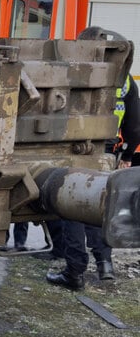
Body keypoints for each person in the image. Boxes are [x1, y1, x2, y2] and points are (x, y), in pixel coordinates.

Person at [46, 26, 140, 290]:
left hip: (73, 148)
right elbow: (134, 125)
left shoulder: (71, 70)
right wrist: (128, 154)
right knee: (101, 206)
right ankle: (105, 265)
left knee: (73, 208)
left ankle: (74, 273)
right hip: (107, 151)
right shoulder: (124, 78)